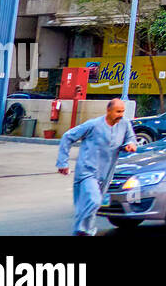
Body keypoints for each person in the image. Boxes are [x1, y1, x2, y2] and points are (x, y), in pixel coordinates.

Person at [56, 99, 137, 236]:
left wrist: (130, 145)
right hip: (87, 171)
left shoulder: (124, 124)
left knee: (92, 205)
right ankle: (84, 230)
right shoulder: (93, 125)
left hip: (106, 173)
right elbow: (67, 136)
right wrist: (63, 163)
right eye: (118, 111)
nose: (121, 114)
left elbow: (131, 138)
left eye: (122, 111)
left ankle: (83, 232)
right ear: (108, 111)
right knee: (94, 201)